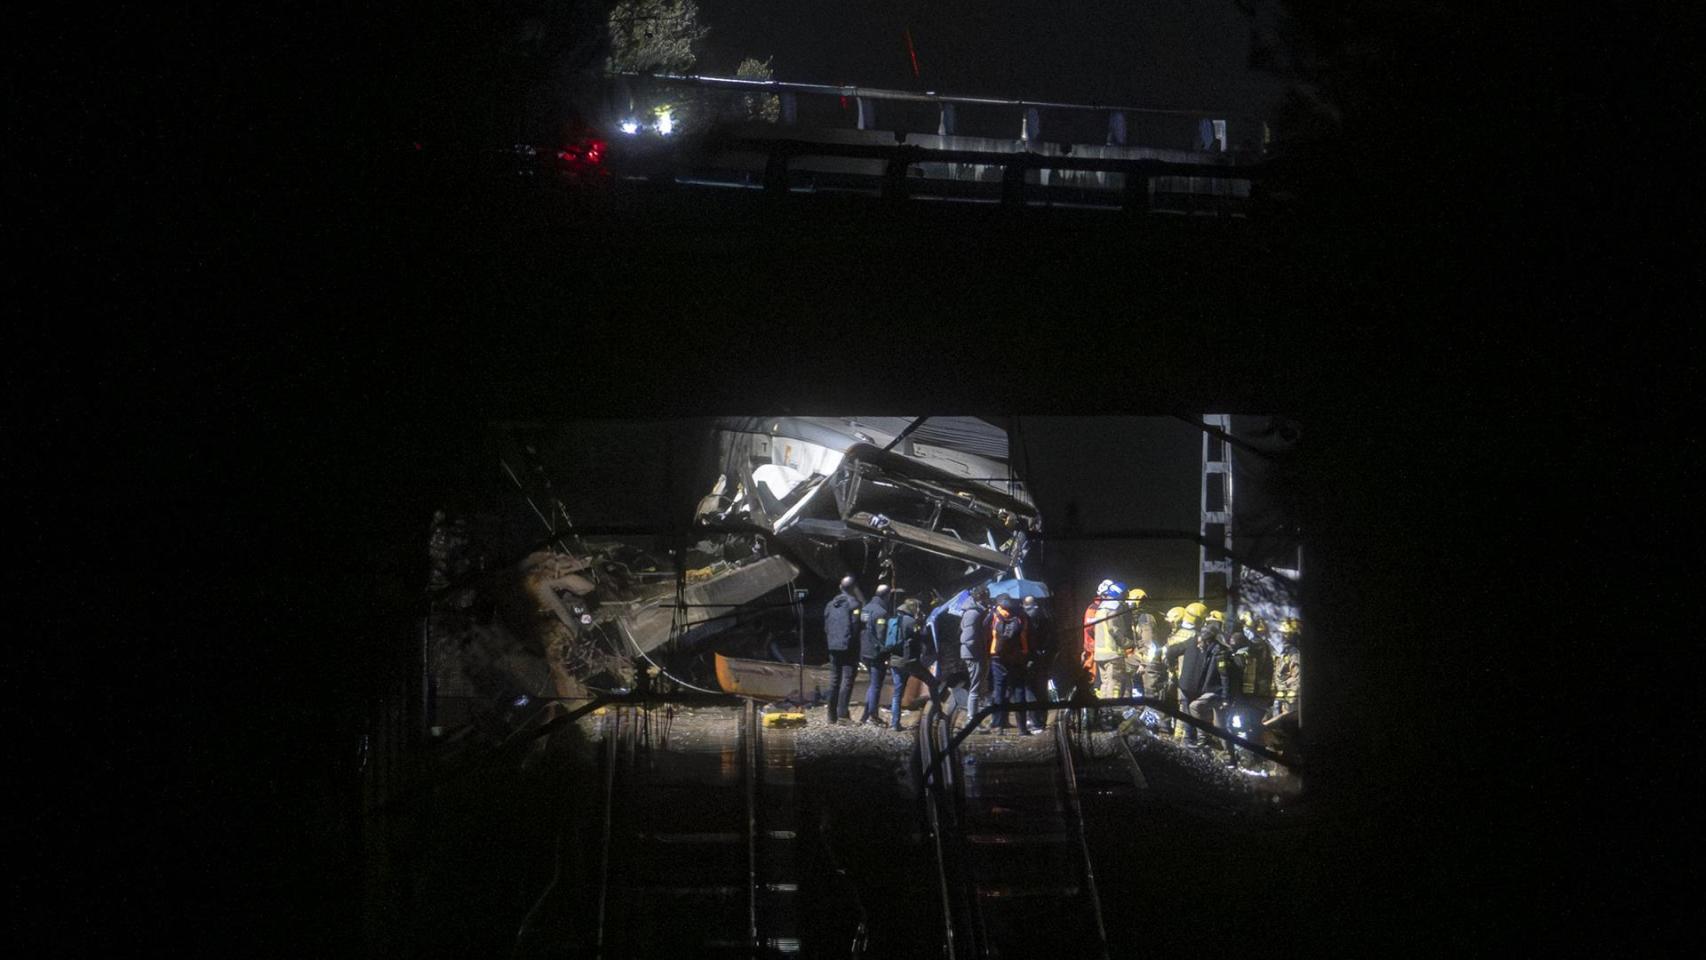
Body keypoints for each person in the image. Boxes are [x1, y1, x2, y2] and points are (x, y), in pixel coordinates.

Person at [1176, 607, 1224, 749]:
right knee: (1195, 712)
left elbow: (1172, 651)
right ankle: (1199, 740)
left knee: (1189, 713)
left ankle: (1190, 740)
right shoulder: (1216, 646)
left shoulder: (1193, 639)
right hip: (1199, 687)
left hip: (1187, 684)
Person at [987, 594, 1034, 735]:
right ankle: (1022, 728)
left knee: (999, 690)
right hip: (1017, 657)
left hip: (997, 656)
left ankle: (998, 726)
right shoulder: (1021, 616)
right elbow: (1027, 635)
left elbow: (984, 631)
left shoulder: (994, 615)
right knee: (1019, 690)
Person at [822, 575, 862, 725]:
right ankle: (843, 715)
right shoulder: (855, 605)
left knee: (834, 680)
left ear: (840, 587)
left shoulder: (830, 605)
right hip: (849, 647)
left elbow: (826, 626)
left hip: (833, 646)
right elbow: (856, 626)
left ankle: (830, 716)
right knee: (847, 680)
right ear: (853, 588)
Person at [885, 598, 925, 730]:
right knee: (929, 681)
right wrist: (920, 622)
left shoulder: (894, 620)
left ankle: (894, 724)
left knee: (897, 692)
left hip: (894, 659)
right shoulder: (912, 622)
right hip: (907, 661)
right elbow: (920, 637)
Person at [958, 585, 993, 730]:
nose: (988, 597)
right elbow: (969, 637)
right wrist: (978, 651)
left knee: (978, 686)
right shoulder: (973, 613)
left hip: (974, 652)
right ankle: (972, 721)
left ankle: (974, 719)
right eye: (986, 595)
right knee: (975, 688)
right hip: (974, 654)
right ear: (980, 596)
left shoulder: (974, 611)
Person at [857, 583, 893, 726]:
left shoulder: (865, 609)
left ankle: (865, 715)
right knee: (876, 685)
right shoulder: (882, 613)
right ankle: (873, 715)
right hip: (876, 653)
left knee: (872, 684)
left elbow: (862, 628)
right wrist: (887, 651)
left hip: (864, 651)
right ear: (886, 596)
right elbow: (881, 635)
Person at [1021, 595, 1054, 729]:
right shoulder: (1046, 619)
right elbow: (1053, 640)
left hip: (1029, 659)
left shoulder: (1023, 620)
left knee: (1030, 690)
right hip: (1043, 659)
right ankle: (1041, 720)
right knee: (1041, 690)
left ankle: (1033, 720)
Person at [1272, 618, 1301, 718]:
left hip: (1290, 699)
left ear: (1292, 635)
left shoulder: (1294, 653)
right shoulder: (1284, 652)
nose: (1282, 636)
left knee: (1286, 722)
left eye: (1285, 633)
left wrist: (1291, 700)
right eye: (1281, 633)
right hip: (1281, 695)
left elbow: (1297, 678)